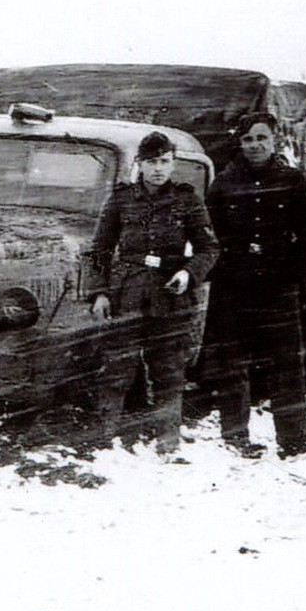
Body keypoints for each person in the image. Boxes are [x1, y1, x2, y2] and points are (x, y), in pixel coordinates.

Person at [85, 131, 220, 456]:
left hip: (170, 297)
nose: (158, 169)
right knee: (117, 369)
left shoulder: (187, 200)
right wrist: (100, 293)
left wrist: (188, 273)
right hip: (127, 294)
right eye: (151, 162)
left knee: (169, 371)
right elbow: (99, 251)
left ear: (172, 163)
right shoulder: (120, 199)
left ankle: (167, 442)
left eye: (164, 161)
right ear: (139, 164)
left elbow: (209, 248)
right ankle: (104, 442)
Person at [201, 113, 306, 460]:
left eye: (261, 138)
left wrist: (291, 276)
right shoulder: (224, 184)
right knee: (232, 366)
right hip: (233, 291)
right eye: (248, 139)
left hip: (278, 291)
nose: (255, 145)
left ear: (274, 140)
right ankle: (235, 439)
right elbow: (209, 236)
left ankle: (293, 441)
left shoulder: (292, 180)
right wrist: (225, 271)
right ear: (239, 143)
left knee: (286, 367)